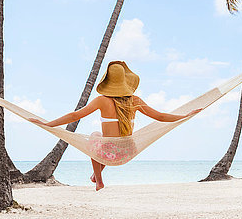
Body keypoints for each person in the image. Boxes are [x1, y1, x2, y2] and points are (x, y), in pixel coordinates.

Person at [29, 61, 202, 191]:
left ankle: (99, 179)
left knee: (95, 136)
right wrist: (185, 115)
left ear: (108, 82)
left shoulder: (102, 101)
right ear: (125, 82)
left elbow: (75, 115)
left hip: (109, 154)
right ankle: (95, 176)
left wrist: (47, 124)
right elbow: (161, 116)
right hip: (127, 152)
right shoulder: (135, 101)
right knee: (104, 142)